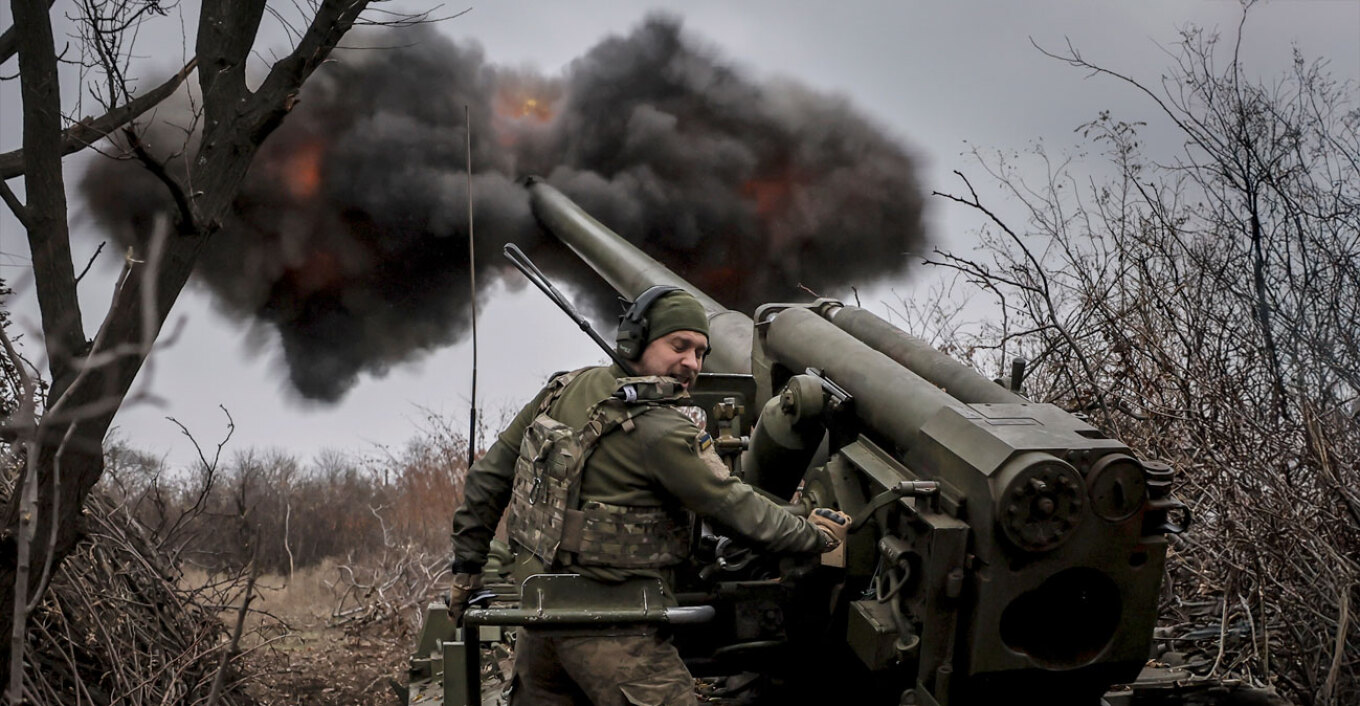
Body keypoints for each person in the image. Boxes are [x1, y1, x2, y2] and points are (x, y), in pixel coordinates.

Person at [448, 286, 851, 706]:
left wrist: (466, 573)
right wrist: (815, 535)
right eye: (679, 346)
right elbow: (738, 510)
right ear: (634, 341)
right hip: (617, 635)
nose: (691, 363)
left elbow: (486, 480)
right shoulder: (663, 430)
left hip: (541, 622)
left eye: (700, 353)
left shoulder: (561, 390)